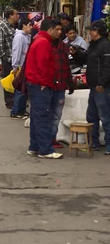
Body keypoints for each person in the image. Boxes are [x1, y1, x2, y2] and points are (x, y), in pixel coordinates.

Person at [25, 18, 63, 159]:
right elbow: (42, 66)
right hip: (40, 85)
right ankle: (45, 149)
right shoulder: (43, 42)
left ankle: (35, 146)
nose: (59, 32)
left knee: (37, 117)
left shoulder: (39, 40)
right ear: (50, 29)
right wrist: (44, 83)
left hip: (36, 84)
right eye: (56, 29)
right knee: (42, 117)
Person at [72, 20, 110, 153]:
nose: (89, 33)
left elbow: (107, 67)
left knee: (105, 117)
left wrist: (102, 84)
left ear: (96, 32)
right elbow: (85, 60)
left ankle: (109, 145)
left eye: (91, 30)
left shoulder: (105, 46)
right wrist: (76, 53)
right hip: (94, 87)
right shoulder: (93, 45)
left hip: (101, 88)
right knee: (92, 116)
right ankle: (94, 143)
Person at [51, 21, 74, 149]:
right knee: (47, 114)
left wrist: (70, 83)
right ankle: (45, 139)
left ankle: (52, 138)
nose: (59, 32)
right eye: (57, 29)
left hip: (61, 87)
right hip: (49, 86)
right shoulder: (46, 45)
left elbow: (66, 66)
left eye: (61, 30)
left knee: (57, 115)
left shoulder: (64, 47)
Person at [0, 9, 19, 108]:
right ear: (10, 16)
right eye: (16, 14)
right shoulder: (2, 26)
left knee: (17, 81)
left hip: (16, 60)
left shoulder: (16, 27)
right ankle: (9, 101)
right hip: (8, 59)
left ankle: (17, 101)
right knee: (8, 80)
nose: (18, 16)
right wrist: (5, 57)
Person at [10, 18, 33, 119]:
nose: (31, 27)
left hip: (26, 66)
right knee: (20, 89)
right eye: (29, 25)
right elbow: (16, 52)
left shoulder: (27, 36)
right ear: (24, 25)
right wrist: (15, 67)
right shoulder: (19, 37)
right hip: (20, 66)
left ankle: (22, 110)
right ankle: (15, 111)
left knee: (24, 89)